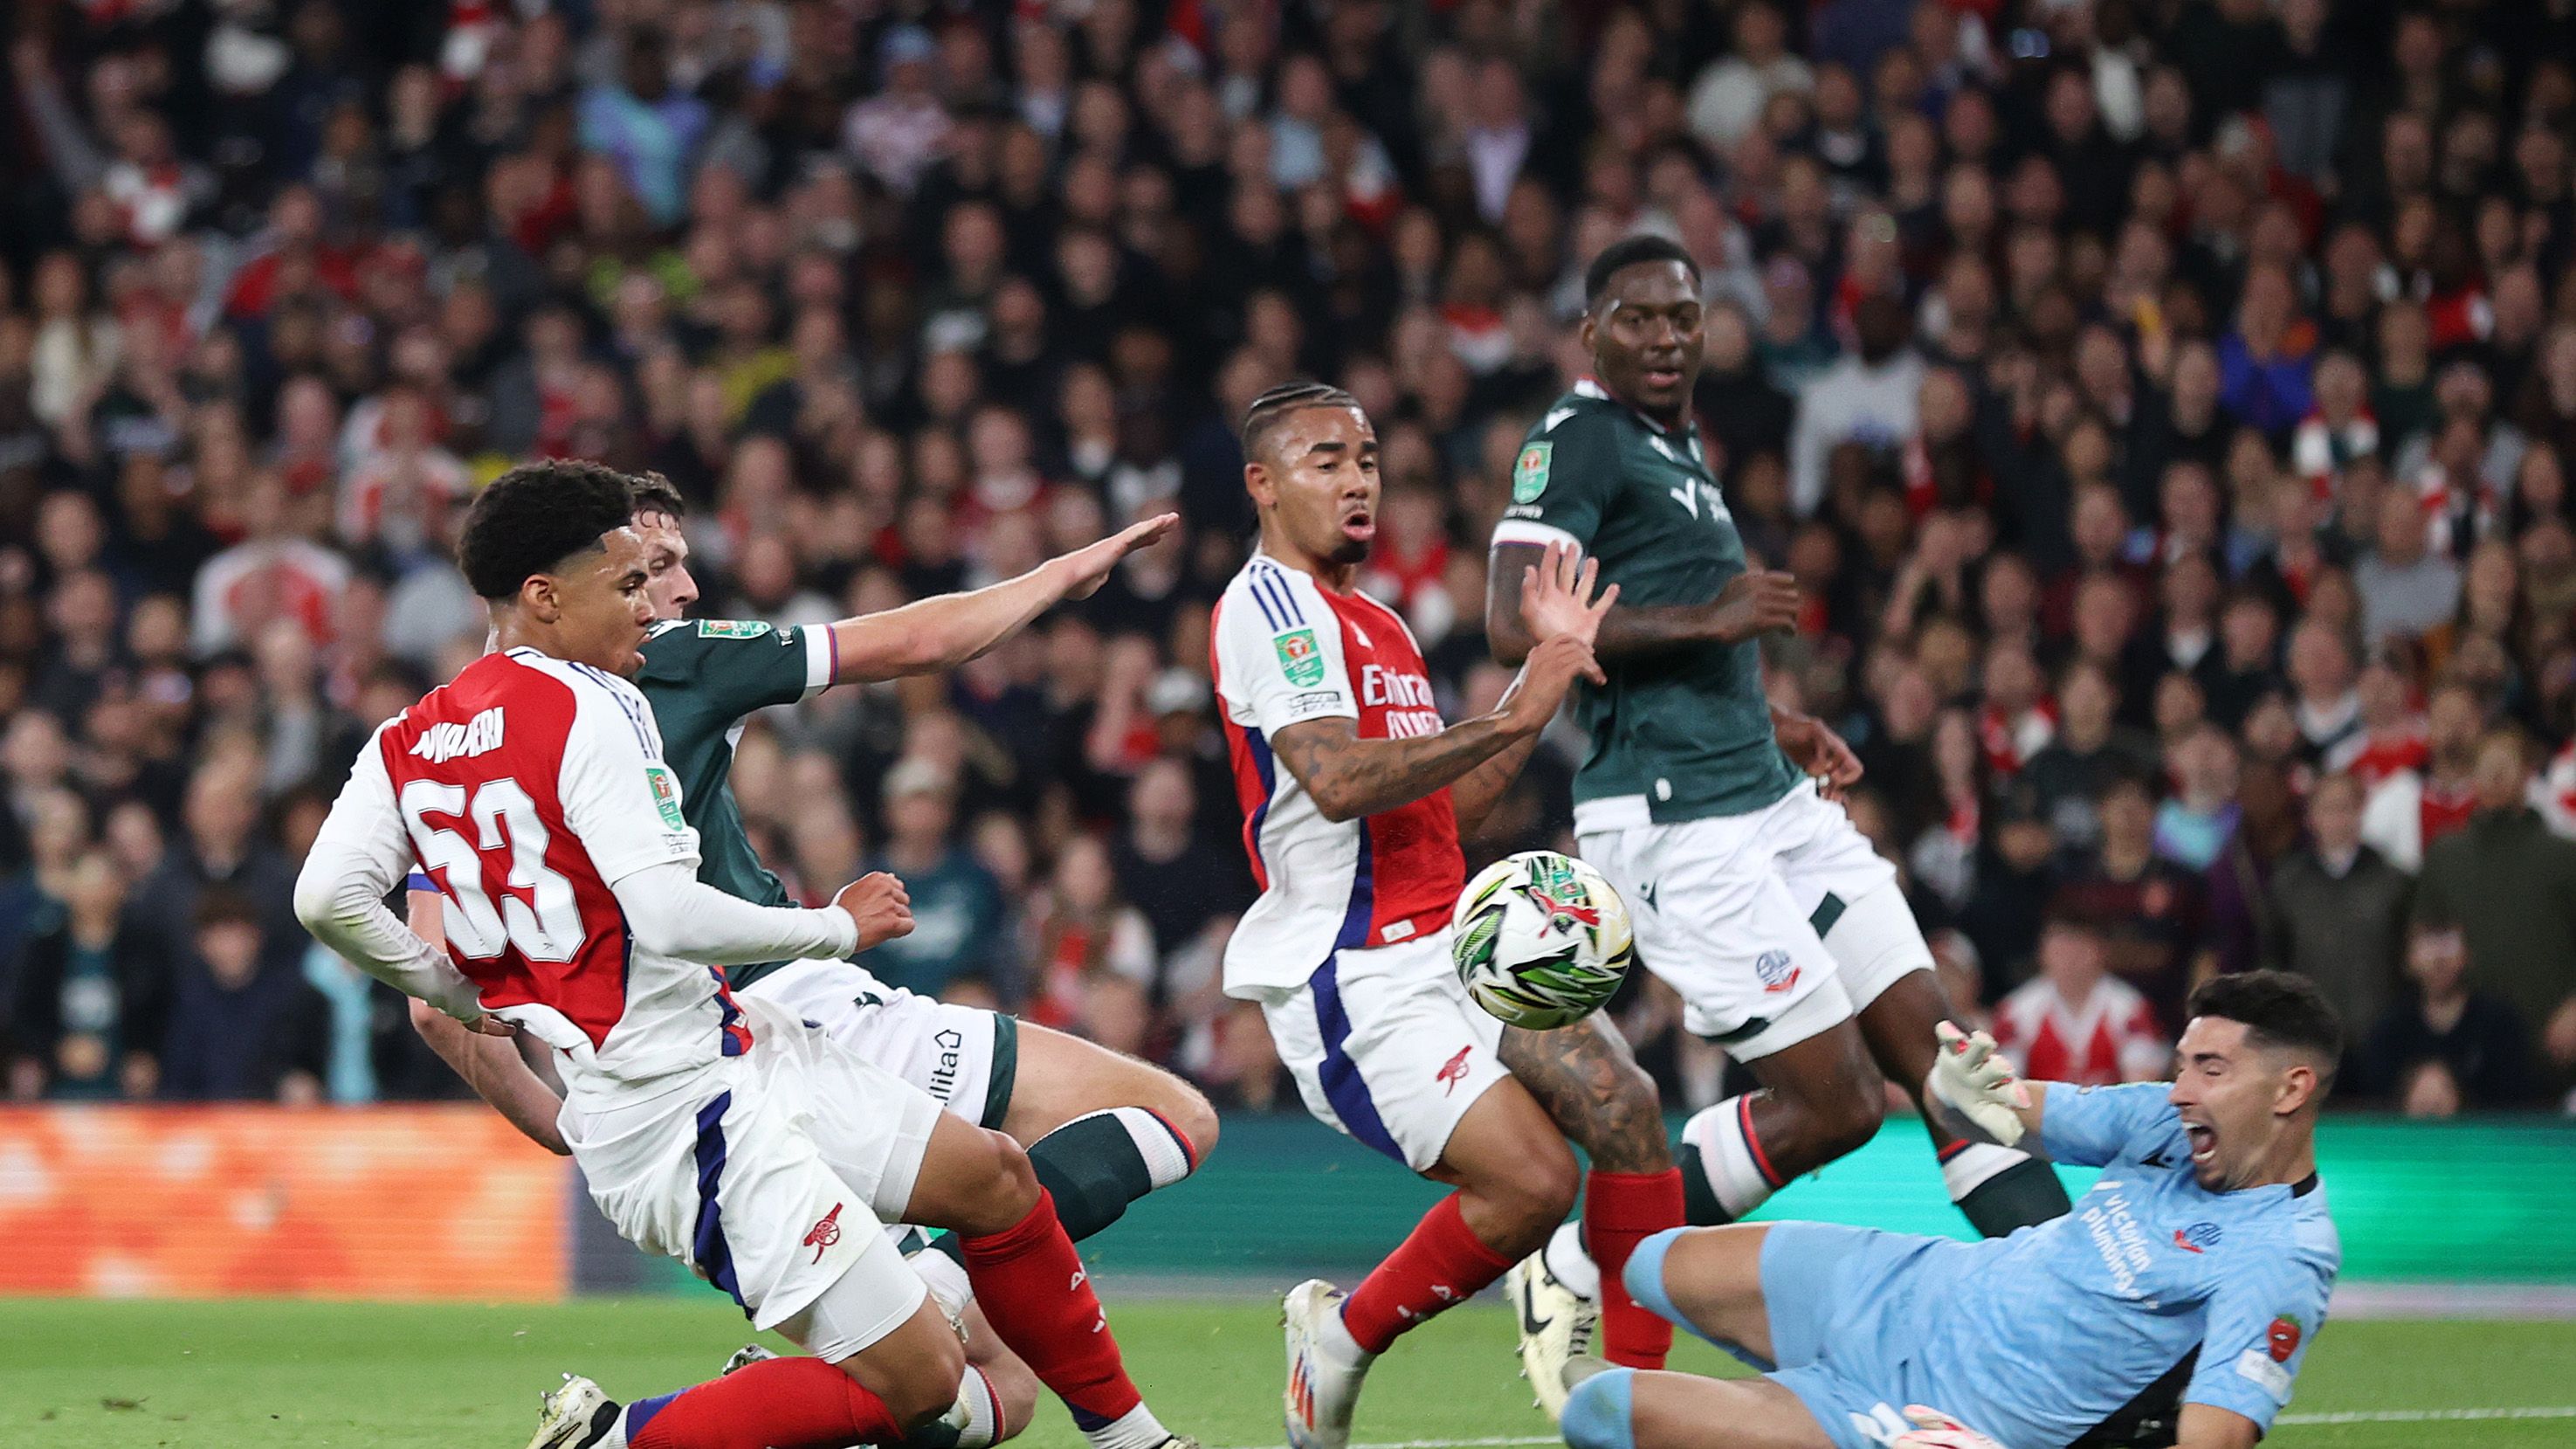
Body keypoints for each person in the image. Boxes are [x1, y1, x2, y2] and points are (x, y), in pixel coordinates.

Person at [296, 460, 1190, 1449]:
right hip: (673, 1111)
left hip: (734, 1044)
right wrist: (836, 928)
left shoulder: (405, 738)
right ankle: (618, 1440)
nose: (654, 610)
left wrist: (454, 989)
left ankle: (1136, 1440)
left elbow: (326, 899)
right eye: (629, 585)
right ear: (546, 598)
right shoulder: (594, 708)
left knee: (996, 1179)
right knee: (930, 1390)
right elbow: (671, 917)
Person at [1486, 236, 2071, 1391]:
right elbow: (1516, 619)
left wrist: (1772, 718)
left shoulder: (1678, 448)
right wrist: (1711, 621)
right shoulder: (1579, 437)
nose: (1665, 338)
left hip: (1763, 793)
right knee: (1840, 1104)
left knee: (1944, 1058)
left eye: (1683, 318)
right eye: (1638, 318)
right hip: (1670, 825)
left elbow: (1666, 632)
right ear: (1593, 330)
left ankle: (2070, 1308)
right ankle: (1566, 1255)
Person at [1210, 382, 1666, 1447]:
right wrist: (1511, 704)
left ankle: (1645, 1409)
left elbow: (1445, 807)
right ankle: (1340, 1339)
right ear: (1263, 486)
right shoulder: (1267, 607)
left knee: (1628, 1108)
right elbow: (1334, 778)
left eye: (1366, 458)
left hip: (1449, 937)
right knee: (1534, 1185)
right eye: (1325, 461)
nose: (1358, 479)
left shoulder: (1379, 622)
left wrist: (1543, 689)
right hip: (1351, 969)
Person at [1563, 971, 2345, 1449]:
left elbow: (2211, 1441)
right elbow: (1998, 1110)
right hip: (1904, 1285)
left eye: (2210, 1069)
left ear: (2290, 1089)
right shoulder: (2163, 1119)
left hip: (1930, 1419)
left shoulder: (2279, 1258)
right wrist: (1961, 1090)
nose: (2180, 1089)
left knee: (1597, 1411)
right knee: (1645, 1260)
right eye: (2181, 1065)